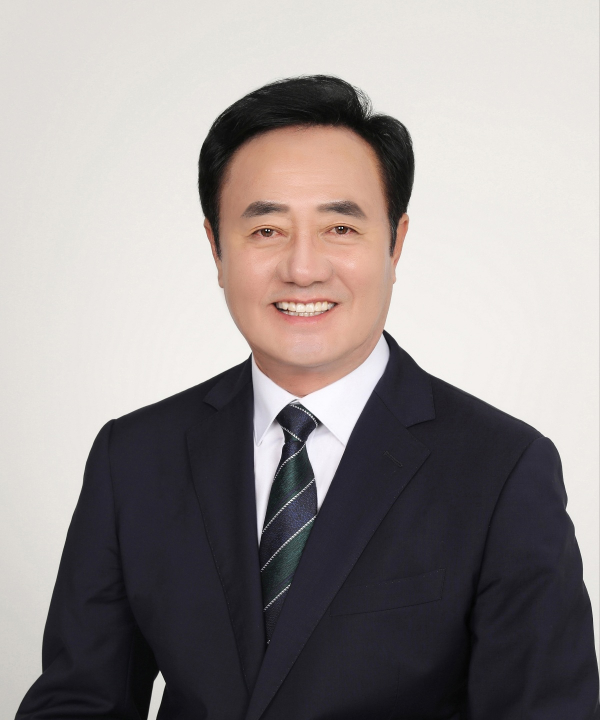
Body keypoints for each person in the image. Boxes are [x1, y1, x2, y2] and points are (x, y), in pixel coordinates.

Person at [16, 75, 599, 719]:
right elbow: (78, 702)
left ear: (396, 243)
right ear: (215, 247)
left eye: (340, 228)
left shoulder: (502, 470)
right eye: (266, 230)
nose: (302, 268)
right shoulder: (134, 457)